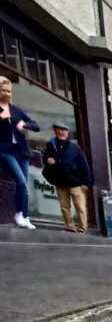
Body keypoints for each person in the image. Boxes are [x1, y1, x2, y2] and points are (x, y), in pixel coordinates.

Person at [0, 76, 40, 229]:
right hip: (5, 151)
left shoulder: (16, 109)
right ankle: (18, 214)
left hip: (21, 151)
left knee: (25, 187)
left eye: (9, 91)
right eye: (3, 90)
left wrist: (25, 123)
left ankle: (25, 216)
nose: (6, 93)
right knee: (21, 182)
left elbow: (36, 126)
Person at [42, 124, 92, 233]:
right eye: (58, 130)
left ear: (67, 132)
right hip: (60, 182)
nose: (61, 132)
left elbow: (84, 166)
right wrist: (47, 160)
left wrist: (86, 183)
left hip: (75, 182)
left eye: (63, 130)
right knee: (64, 207)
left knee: (80, 207)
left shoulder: (75, 148)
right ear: (55, 131)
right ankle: (70, 226)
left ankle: (83, 228)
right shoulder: (51, 145)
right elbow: (45, 157)